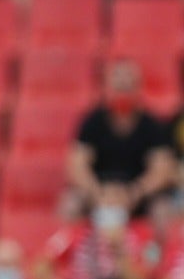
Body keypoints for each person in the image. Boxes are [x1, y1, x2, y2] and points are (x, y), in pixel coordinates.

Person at [36, 182, 154, 279]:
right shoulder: (75, 231)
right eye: (106, 196)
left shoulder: (142, 235)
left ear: (129, 202)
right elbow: (40, 269)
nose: (111, 202)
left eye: (117, 196)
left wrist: (119, 251)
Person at [70, 60, 176, 213]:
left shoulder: (151, 125)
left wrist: (135, 192)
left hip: (139, 195)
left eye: (128, 87)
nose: (123, 94)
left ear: (138, 88)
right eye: (119, 88)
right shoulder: (92, 122)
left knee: (163, 209)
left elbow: (162, 169)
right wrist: (96, 192)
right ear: (107, 88)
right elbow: (77, 165)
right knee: (70, 205)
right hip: (99, 192)